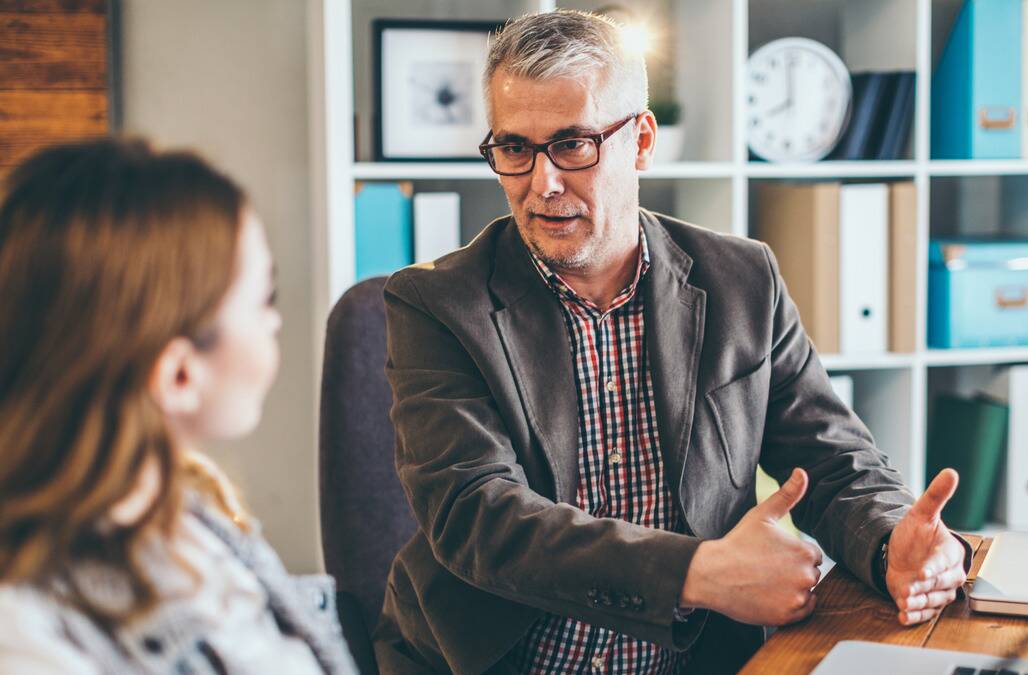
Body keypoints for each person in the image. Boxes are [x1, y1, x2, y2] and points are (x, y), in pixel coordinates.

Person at [374, 10, 970, 674]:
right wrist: (697, 571)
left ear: (643, 140)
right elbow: (478, 516)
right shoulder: (435, 305)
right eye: (515, 148)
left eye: (573, 143)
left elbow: (834, 461)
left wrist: (893, 543)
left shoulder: (742, 281)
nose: (542, 183)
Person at [0, 138, 357, 674]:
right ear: (179, 375)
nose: (275, 322)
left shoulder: (194, 513)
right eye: (265, 300)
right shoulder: (30, 632)